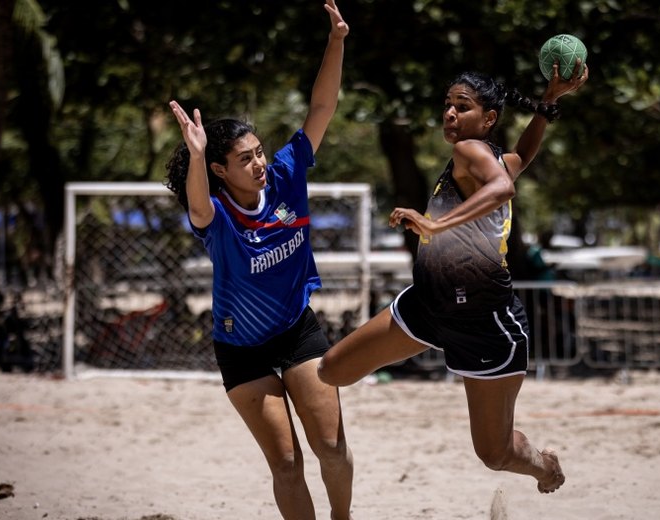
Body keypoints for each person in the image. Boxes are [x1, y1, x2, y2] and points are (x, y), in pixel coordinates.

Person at [318, 62, 588, 496]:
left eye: (462, 107)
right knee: (332, 369)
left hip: (484, 323)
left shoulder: (471, 152)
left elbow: (503, 188)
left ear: (488, 119)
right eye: (447, 105)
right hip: (428, 305)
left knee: (495, 454)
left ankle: (545, 466)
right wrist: (548, 103)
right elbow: (520, 160)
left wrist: (434, 226)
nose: (449, 113)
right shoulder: (487, 157)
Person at [164, 2, 354, 519]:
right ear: (222, 170)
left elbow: (320, 110)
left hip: (297, 330)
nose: (259, 162)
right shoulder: (218, 217)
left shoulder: (288, 176)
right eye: (245, 158)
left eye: (260, 151)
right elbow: (197, 203)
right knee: (287, 464)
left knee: (332, 447)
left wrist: (335, 40)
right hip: (240, 349)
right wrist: (197, 155)